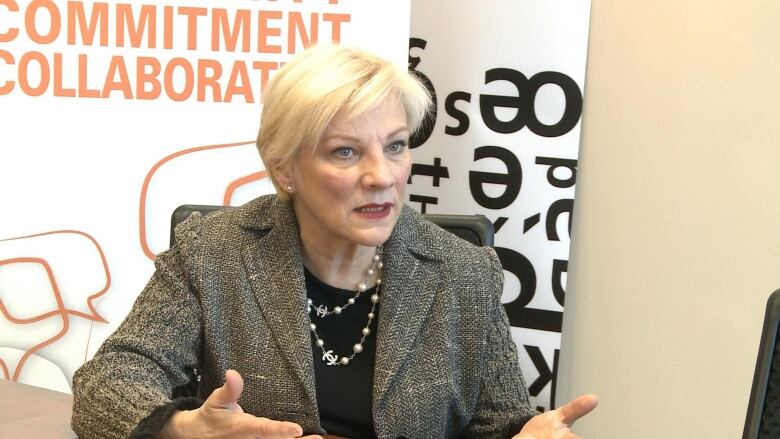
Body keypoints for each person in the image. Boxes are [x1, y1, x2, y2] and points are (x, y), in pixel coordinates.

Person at [71, 44, 597, 439]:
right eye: (346, 152)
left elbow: (501, 424)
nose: (381, 176)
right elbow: (103, 389)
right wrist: (183, 429)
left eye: (394, 146)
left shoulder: (463, 271)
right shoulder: (212, 253)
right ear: (285, 170)